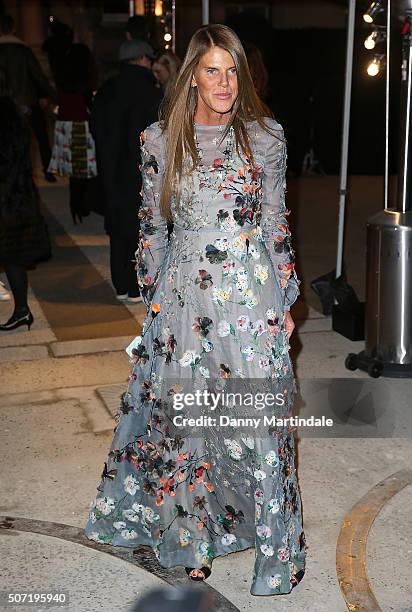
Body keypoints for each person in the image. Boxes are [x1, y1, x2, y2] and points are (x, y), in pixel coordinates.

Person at [84, 24, 306, 597]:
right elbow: (153, 228)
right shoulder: (159, 140)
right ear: (191, 76)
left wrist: (286, 296)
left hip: (250, 295)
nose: (225, 82)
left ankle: (271, 541)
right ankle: (190, 541)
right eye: (212, 70)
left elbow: (276, 224)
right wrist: (153, 302)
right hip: (185, 300)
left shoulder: (266, 138)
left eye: (232, 70)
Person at [90, 40, 160, 303]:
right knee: (140, 227)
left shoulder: (108, 88)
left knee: (117, 225)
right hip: (140, 169)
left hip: (111, 167)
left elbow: (95, 124)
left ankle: (120, 283)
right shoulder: (149, 90)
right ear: (142, 59)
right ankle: (135, 285)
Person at [0, 68, 50, 332]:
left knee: (11, 256)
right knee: (13, 257)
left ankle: (21, 310)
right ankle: (21, 310)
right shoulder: (13, 113)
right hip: (17, 196)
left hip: (7, 196)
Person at [0, 14, 57, 183]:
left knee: (7, 142)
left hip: (4, 104)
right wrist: (52, 96)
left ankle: (12, 173)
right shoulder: (23, 50)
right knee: (40, 137)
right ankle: (47, 171)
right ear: (13, 29)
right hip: (27, 102)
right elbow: (38, 76)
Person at [48, 43, 98, 223]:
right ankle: (80, 204)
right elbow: (89, 105)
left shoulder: (63, 77)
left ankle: (74, 204)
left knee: (72, 170)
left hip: (63, 125)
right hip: (80, 124)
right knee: (82, 169)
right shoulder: (84, 79)